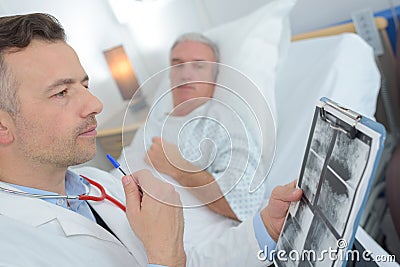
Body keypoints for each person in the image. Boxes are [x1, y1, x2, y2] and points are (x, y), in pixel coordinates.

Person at [0, 13, 302, 267]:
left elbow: (186, 258)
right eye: (61, 92)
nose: (95, 104)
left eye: (85, 85)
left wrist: (265, 230)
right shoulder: (15, 248)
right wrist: (164, 258)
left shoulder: (98, 185)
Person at [119, 32, 267, 222]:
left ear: (213, 78)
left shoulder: (225, 122)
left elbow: (244, 200)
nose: (185, 74)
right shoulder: (155, 121)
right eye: (178, 64)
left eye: (198, 65)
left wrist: (179, 168)